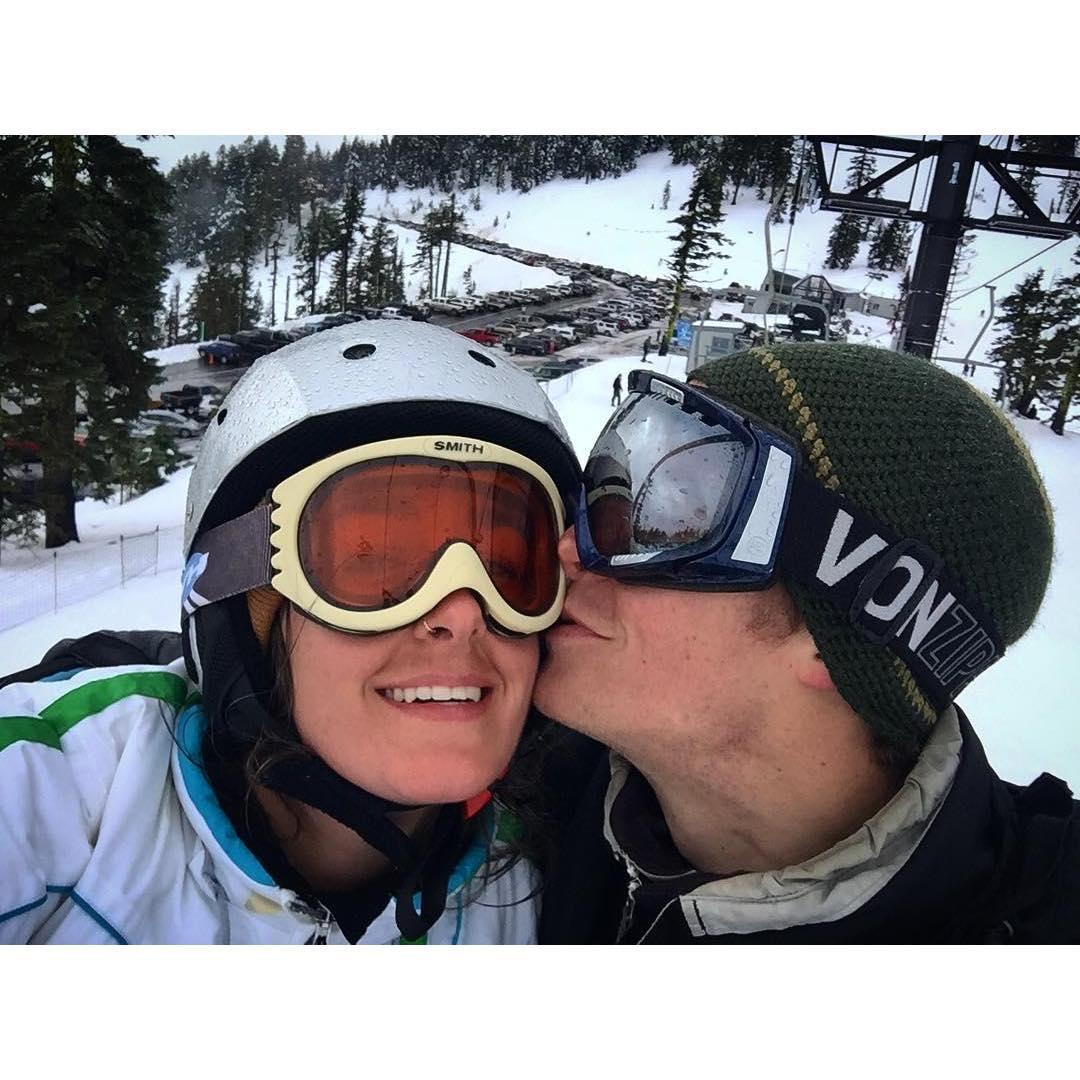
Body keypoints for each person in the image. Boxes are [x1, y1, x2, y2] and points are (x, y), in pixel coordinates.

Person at [0, 321, 581, 945]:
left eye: (510, 570)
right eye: (373, 563)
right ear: (239, 606)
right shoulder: (69, 788)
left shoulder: (561, 886)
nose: (462, 611)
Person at [529, 342, 1080, 944]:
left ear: (836, 635)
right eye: (611, 492)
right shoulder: (518, 785)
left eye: (667, 519)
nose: (569, 549)